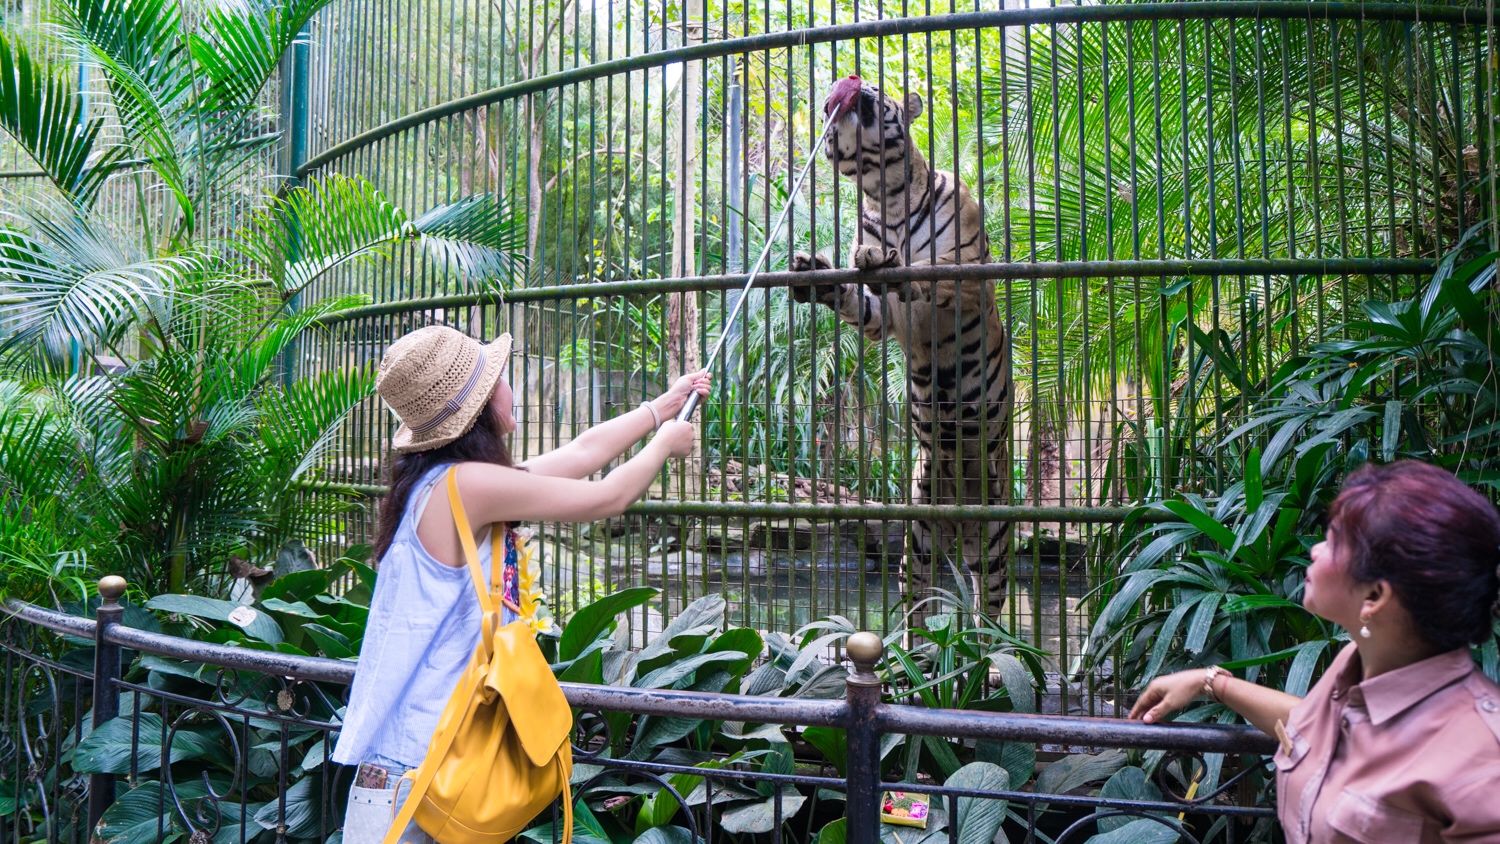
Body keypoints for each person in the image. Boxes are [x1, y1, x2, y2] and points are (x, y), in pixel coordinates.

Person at [330, 325, 710, 844]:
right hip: (424, 767)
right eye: (500, 379)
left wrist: (659, 409)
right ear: (481, 403)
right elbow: (606, 499)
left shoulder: (445, 481)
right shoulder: (469, 484)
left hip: (418, 758)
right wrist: (663, 445)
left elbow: (580, 454)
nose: (511, 388)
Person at [1128, 460, 1500, 843]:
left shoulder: (1481, 761)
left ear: (1374, 596)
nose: (1316, 549)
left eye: (1335, 540)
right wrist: (1209, 682)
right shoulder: (1357, 665)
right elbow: (1312, 726)